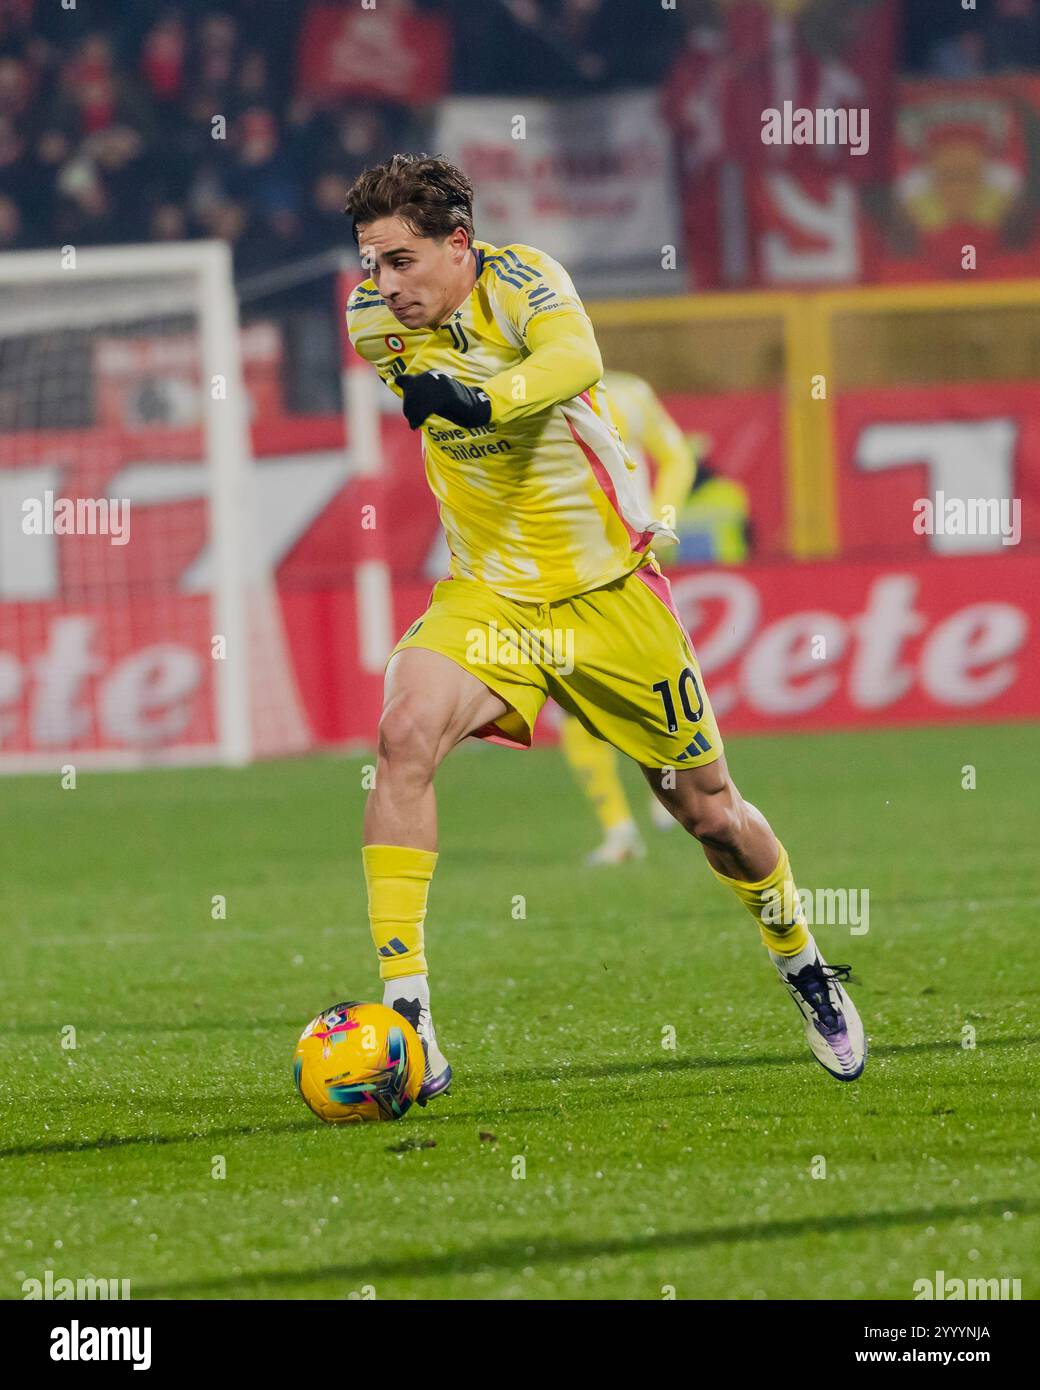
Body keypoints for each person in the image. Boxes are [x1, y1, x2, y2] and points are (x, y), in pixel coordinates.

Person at [344, 154, 866, 1101]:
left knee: (710, 814)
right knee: (402, 734)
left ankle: (802, 961)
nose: (383, 285)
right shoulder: (374, 325)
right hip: (490, 594)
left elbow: (573, 362)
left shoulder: (527, 279)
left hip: (609, 594)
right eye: (372, 262)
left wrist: (477, 398)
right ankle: (410, 1014)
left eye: (403, 260)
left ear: (459, 245)